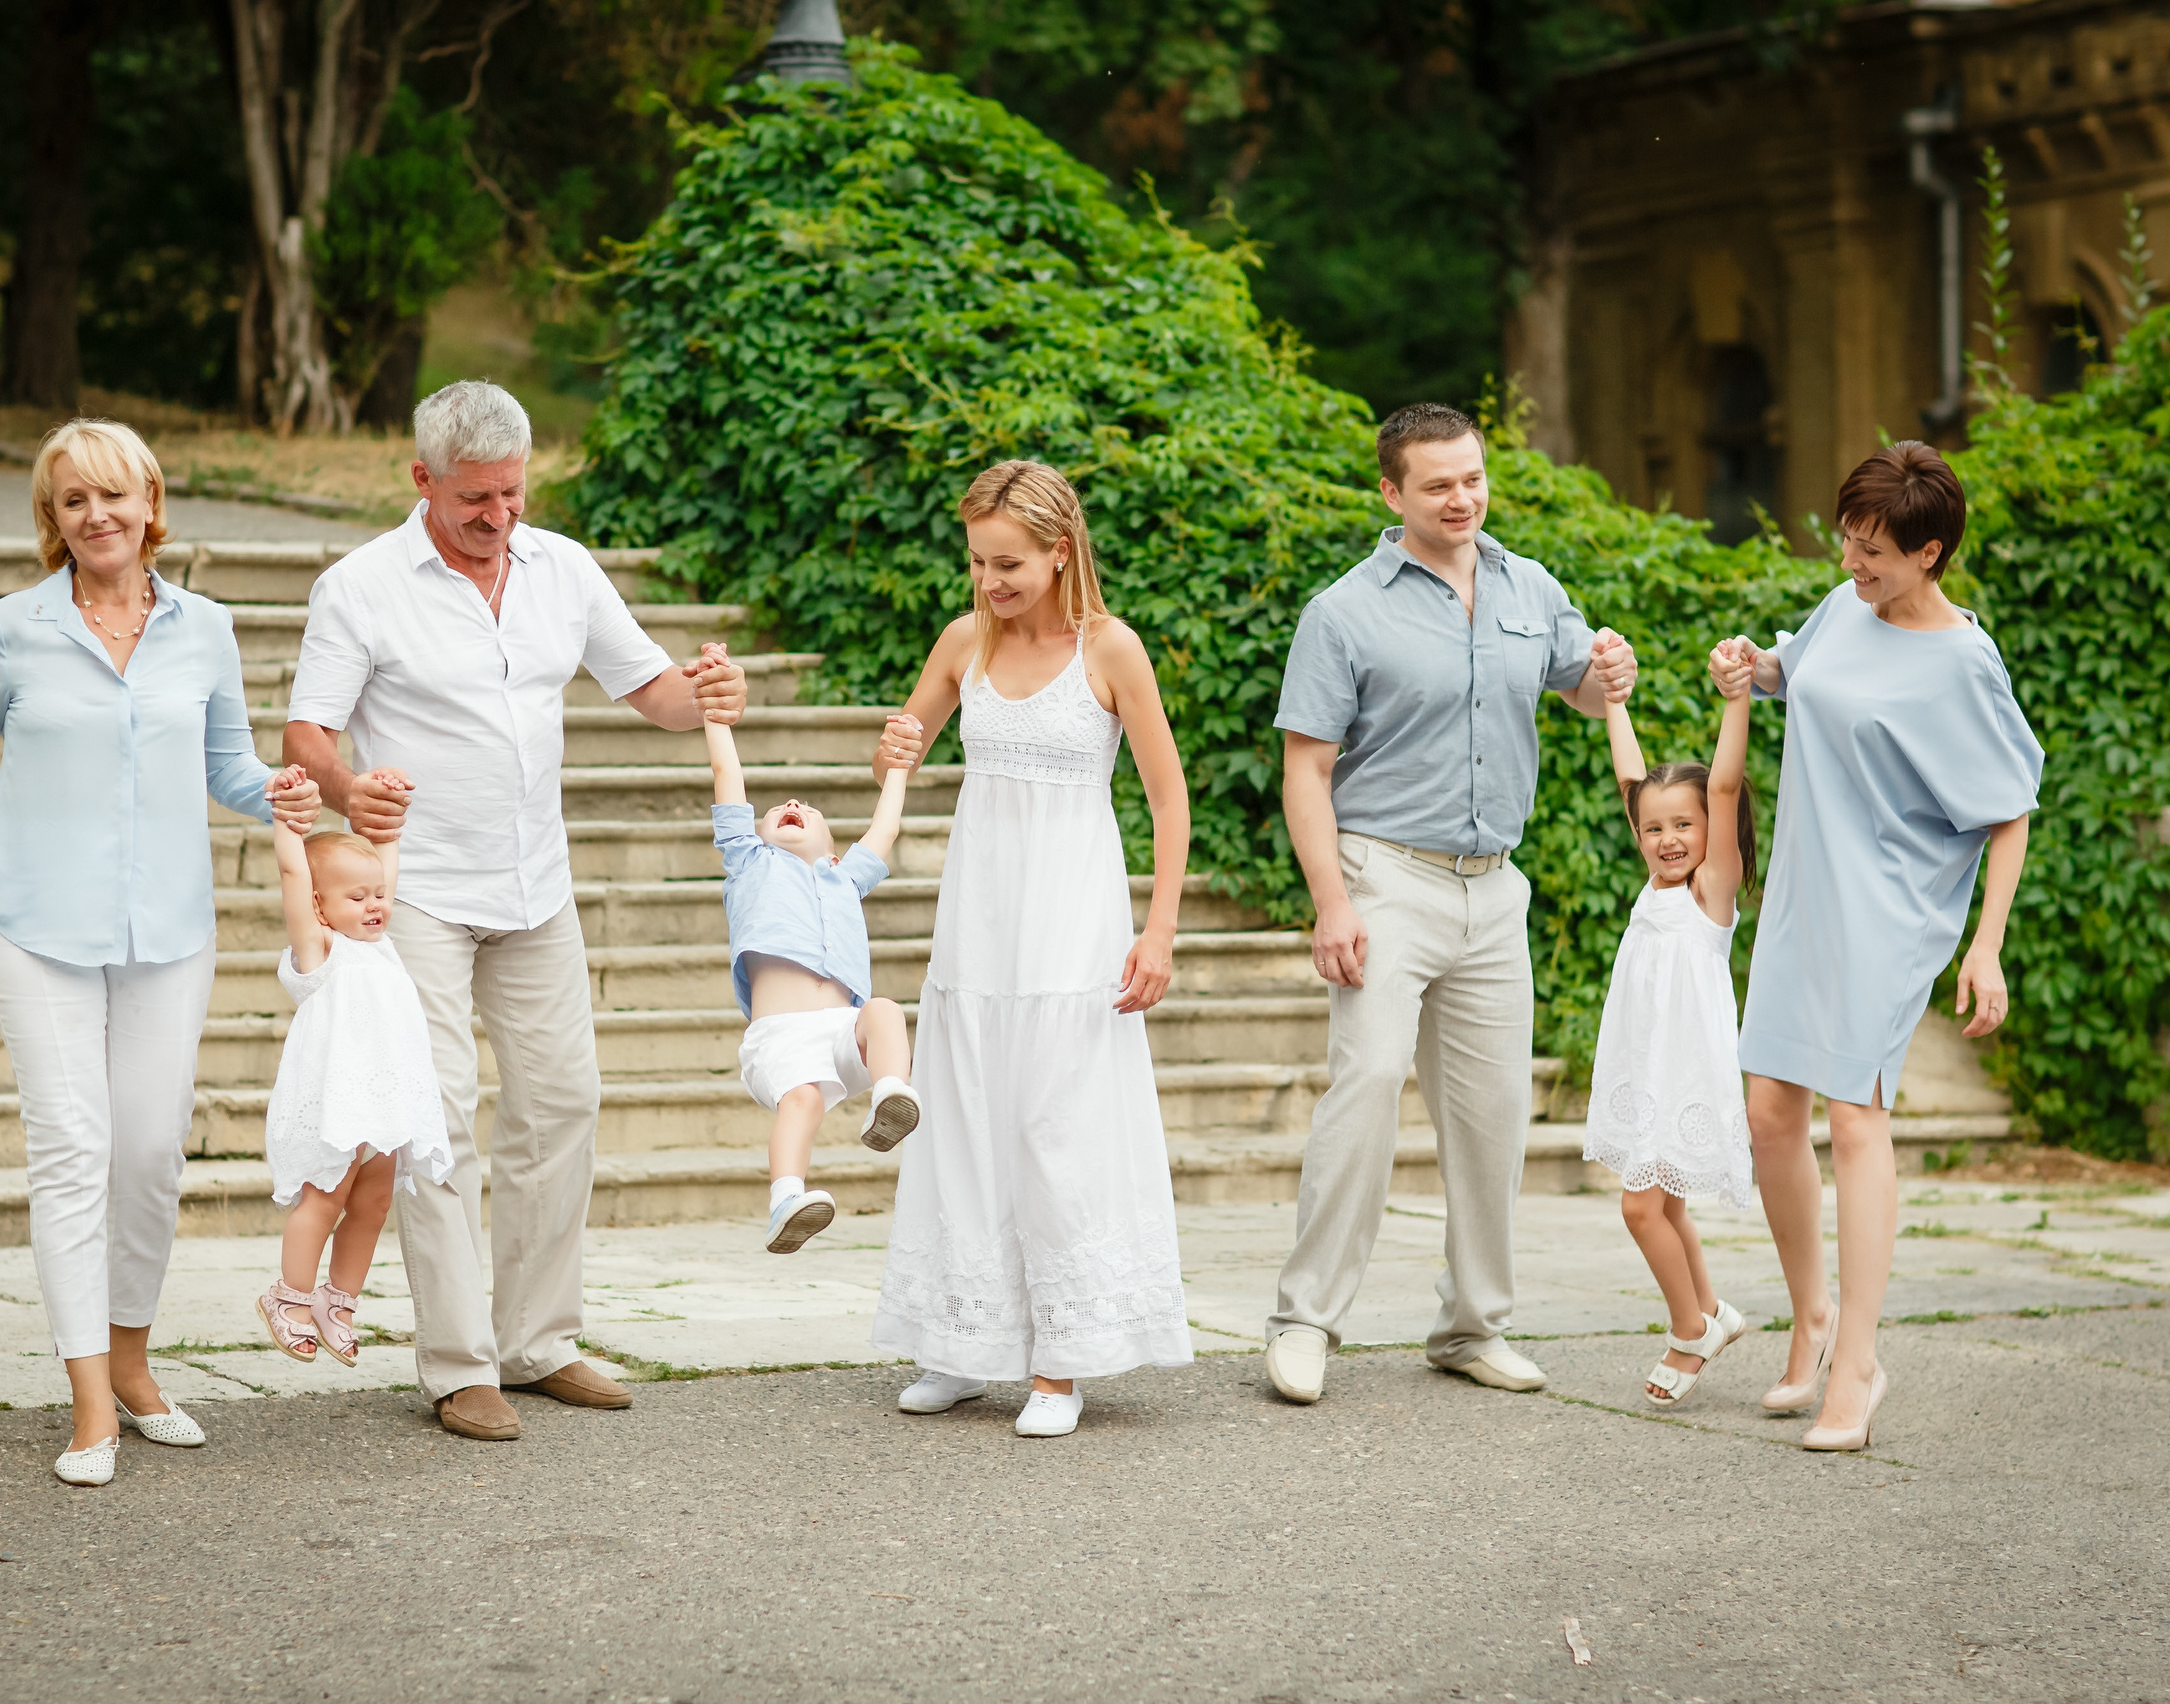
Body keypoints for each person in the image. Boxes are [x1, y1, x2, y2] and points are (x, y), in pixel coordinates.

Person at [282, 381, 745, 1442]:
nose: (498, 518)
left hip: (538, 884)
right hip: (417, 894)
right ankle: (457, 1366)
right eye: (475, 500)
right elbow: (308, 734)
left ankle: (537, 1342)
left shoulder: (562, 568)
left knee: (562, 1103)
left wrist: (707, 690)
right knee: (436, 1122)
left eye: (512, 495)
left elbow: (654, 692)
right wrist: (354, 794)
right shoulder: (357, 587)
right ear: (422, 482)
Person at [0, 418, 321, 1486]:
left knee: (148, 1156)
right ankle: (90, 1404)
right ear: (52, 522)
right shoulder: (9, 630)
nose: (97, 515)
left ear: (152, 504)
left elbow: (229, 764)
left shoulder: (206, 628)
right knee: (72, 1149)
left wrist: (285, 792)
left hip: (168, 933)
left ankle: (138, 1366)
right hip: (35, 932)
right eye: (73, 501)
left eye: (115, 496)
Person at [1264, 402, 1637, 1406]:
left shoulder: (1531, 585)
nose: (1461, 498)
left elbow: (1585, 690)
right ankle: (1304, 1322)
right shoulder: (1342, 612)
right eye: (1437, 484)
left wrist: (1612, 675)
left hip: (1493, 890)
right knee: (1368, 1082)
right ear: (1391, 492)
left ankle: (1472, 1326)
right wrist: (1331, 900)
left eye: (1471, 478)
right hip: (1385, 877)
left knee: (1491, 1115)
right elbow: (1306, 770)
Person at [1711, 441, 2041, 1452]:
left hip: (1893, 908)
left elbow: (2008, 810)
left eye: (1873, 551)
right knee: (1770, 1114)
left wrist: (1983, 948)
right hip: (1805, 893)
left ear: (1929, 552)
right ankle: (1811, 1319)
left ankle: (1857, 1364)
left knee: (1854, 1118)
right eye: (1847, 540)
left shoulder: (1962, 662)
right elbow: (1794, 677)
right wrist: (1750, 668)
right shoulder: (1842, 608)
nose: (1851, 562)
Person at [868, 459, 1192, 1440]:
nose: (988, 580)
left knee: (1057, 1128)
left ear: (1060, 552)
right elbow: (909, 739)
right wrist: (897, 742)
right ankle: (964, 1343)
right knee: (964, 1117)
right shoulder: (964, 640)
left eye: (1007, 562)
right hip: (978, 922)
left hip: (1072, 920)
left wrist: (1160, 929)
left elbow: (1168, 797)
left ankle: (1061, 1360)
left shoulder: (1112, 650)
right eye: (975, 561)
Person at [699, 641, 925, 1253]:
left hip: (842, 1030)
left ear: (831, 847)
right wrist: (716, 719)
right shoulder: (749, 861)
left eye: (807, 808)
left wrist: (900, 765)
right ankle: (786, 1201)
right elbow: (728, 778)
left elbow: (885, 829)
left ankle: (889, 1096)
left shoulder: (844, 877)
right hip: (781, 1037)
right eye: (779, 810)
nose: (791, 806)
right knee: (800, 1100)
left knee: (884, 1010)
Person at [1585, 654, 1757, 1408]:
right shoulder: (1651, 886)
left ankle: (1688, 1330)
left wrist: (1737, 699)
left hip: (1684, 1069)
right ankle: (1713, 1310)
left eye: (1683, 823)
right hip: (1644, 1065)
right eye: (1654, 828)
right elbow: (1631, 779)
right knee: (1670, 1204)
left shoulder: (1710, 892)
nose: (1666, 838)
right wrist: (1614, 700)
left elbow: (1722, 783)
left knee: (1639, 1206)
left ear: (1712, 828)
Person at [253, 767, 453, 1366]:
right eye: (357, 897)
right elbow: (294, 872)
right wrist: (288, 824)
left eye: (378, 896)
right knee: (327, 1197)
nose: (375, 905)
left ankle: (335, 1301)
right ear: (318, 905)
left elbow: (383, 866)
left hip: (387, 1102)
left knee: (374, 1203)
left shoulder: (378, 945)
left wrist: (390, 818)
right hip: (341, 1103)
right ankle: (287, 1297)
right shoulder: (318, 952)